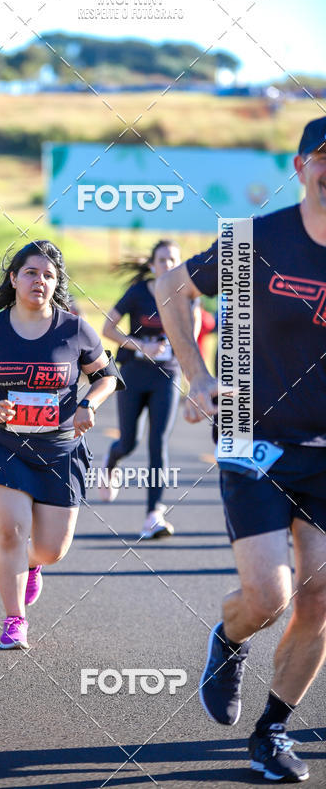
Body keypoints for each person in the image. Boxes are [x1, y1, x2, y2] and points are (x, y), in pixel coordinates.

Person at [156, 117, 326, 782]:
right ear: (300, 165)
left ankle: (271, 730)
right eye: (323, 156)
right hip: (254, 436)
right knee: (270, 597)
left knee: (318, 601)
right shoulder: (257, 238)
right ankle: (229, 642)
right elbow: (172, 288)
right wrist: (196, 375)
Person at [0, 240, 122, 650]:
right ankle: (15, 620)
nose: (40, 281)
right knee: (10, 532)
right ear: (13, 278)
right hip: (5, 446)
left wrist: (88, 404)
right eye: (31, 273)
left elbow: (108, 376)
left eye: (49, 275)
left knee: (52, 549)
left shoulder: (75, 329)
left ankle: (32, 565)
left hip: (59, 450)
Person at [101, 240, 195, 539]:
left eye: (173, 260)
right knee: (129, 442)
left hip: (167, 376)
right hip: (133, 373)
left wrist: (194, 384)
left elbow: (189, 341)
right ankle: (112, 460)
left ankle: (153, 515)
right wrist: (141, 345)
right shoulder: (138, 293)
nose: (168, 265)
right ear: (153, 265)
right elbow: (107, 328)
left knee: (158, 443)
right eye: (163, 260)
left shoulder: (186, 296)